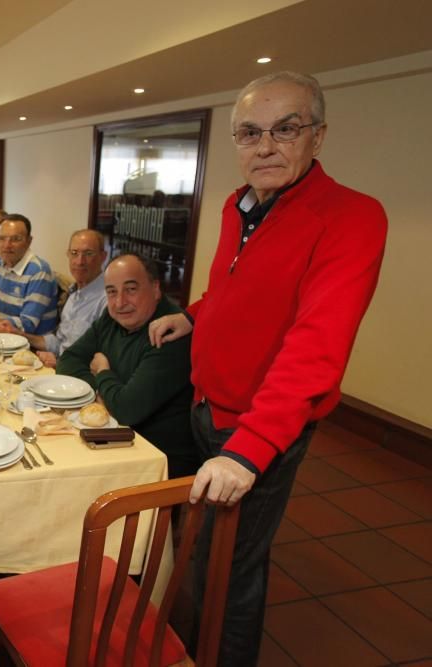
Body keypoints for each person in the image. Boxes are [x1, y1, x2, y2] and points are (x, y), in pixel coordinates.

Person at [148, 71, 387, 665]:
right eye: (250, 132)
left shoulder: (352, 217)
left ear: (318, 136)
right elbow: (238, 289)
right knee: (201, 544)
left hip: (255, 426)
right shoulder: (240, 203)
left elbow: (317, 345)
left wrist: (249, 447)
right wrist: (196, 316)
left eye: (287, 129)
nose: (265, 146)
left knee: (229, 569)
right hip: (207, 403)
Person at [57, 254, 197, 477]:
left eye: (131, 289)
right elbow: (68, 360)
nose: (120, 302)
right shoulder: (111, 317)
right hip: (113, 442)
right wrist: (102, 395)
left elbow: (126, 410)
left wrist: (103, 371)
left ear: (156, 289)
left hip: (156, 464)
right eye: (111, 292)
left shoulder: (169, 332)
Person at [0, 229, 108, 367]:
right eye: (74, 253)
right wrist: (18, 333)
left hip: (76, 377)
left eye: (88, 254)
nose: (80, 261)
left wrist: (59, 363)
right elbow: (59, 343)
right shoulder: (74, 292)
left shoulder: (107, 300)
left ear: (103, 257)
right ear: (68, 254)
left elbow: (101, 360)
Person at [0, 214, 59, 335]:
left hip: (31, 346)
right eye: (2, 238)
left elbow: (27, 324)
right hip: (4, 335)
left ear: (29, 242)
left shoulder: (40, 272)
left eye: (16, 239)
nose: (7, 245)